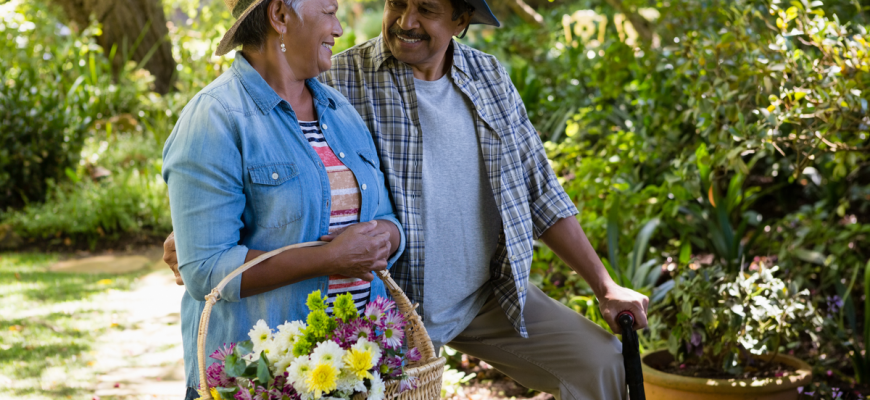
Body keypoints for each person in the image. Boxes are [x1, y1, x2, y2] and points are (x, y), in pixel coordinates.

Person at [165, 0, 650, 397]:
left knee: (601, 364)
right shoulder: (338, 78)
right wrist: (193, 241)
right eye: (397, 3)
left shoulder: (489, 78)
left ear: (460, 20)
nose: (406, 21)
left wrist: (605, 285)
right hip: (396, 305)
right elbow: (258, 170)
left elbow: (539, 189)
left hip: (485, 292)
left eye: (427, 9)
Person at [160, 0, 406, 398]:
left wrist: (384, 238)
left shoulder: (339, 111)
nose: (339, 28)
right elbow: (206, 270)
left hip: (350, 375)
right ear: (280, 16)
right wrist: (330, 258)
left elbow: (387, 218)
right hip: (261, 380)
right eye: (329, 12)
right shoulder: (215, 117)